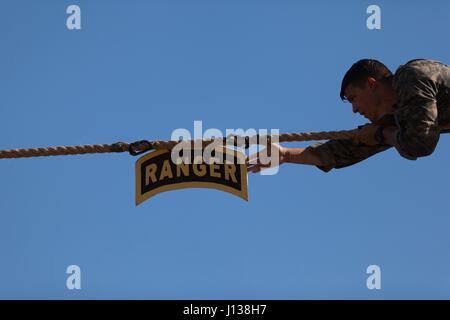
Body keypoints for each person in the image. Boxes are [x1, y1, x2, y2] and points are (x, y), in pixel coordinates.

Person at [247, 59, 450, 173]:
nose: (354, 109)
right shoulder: (397, 118)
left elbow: (420, 143)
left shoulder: (411, 76)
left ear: (371, 84)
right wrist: (285, 155)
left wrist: (382, 134)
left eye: (353, 98)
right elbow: (342, 151)